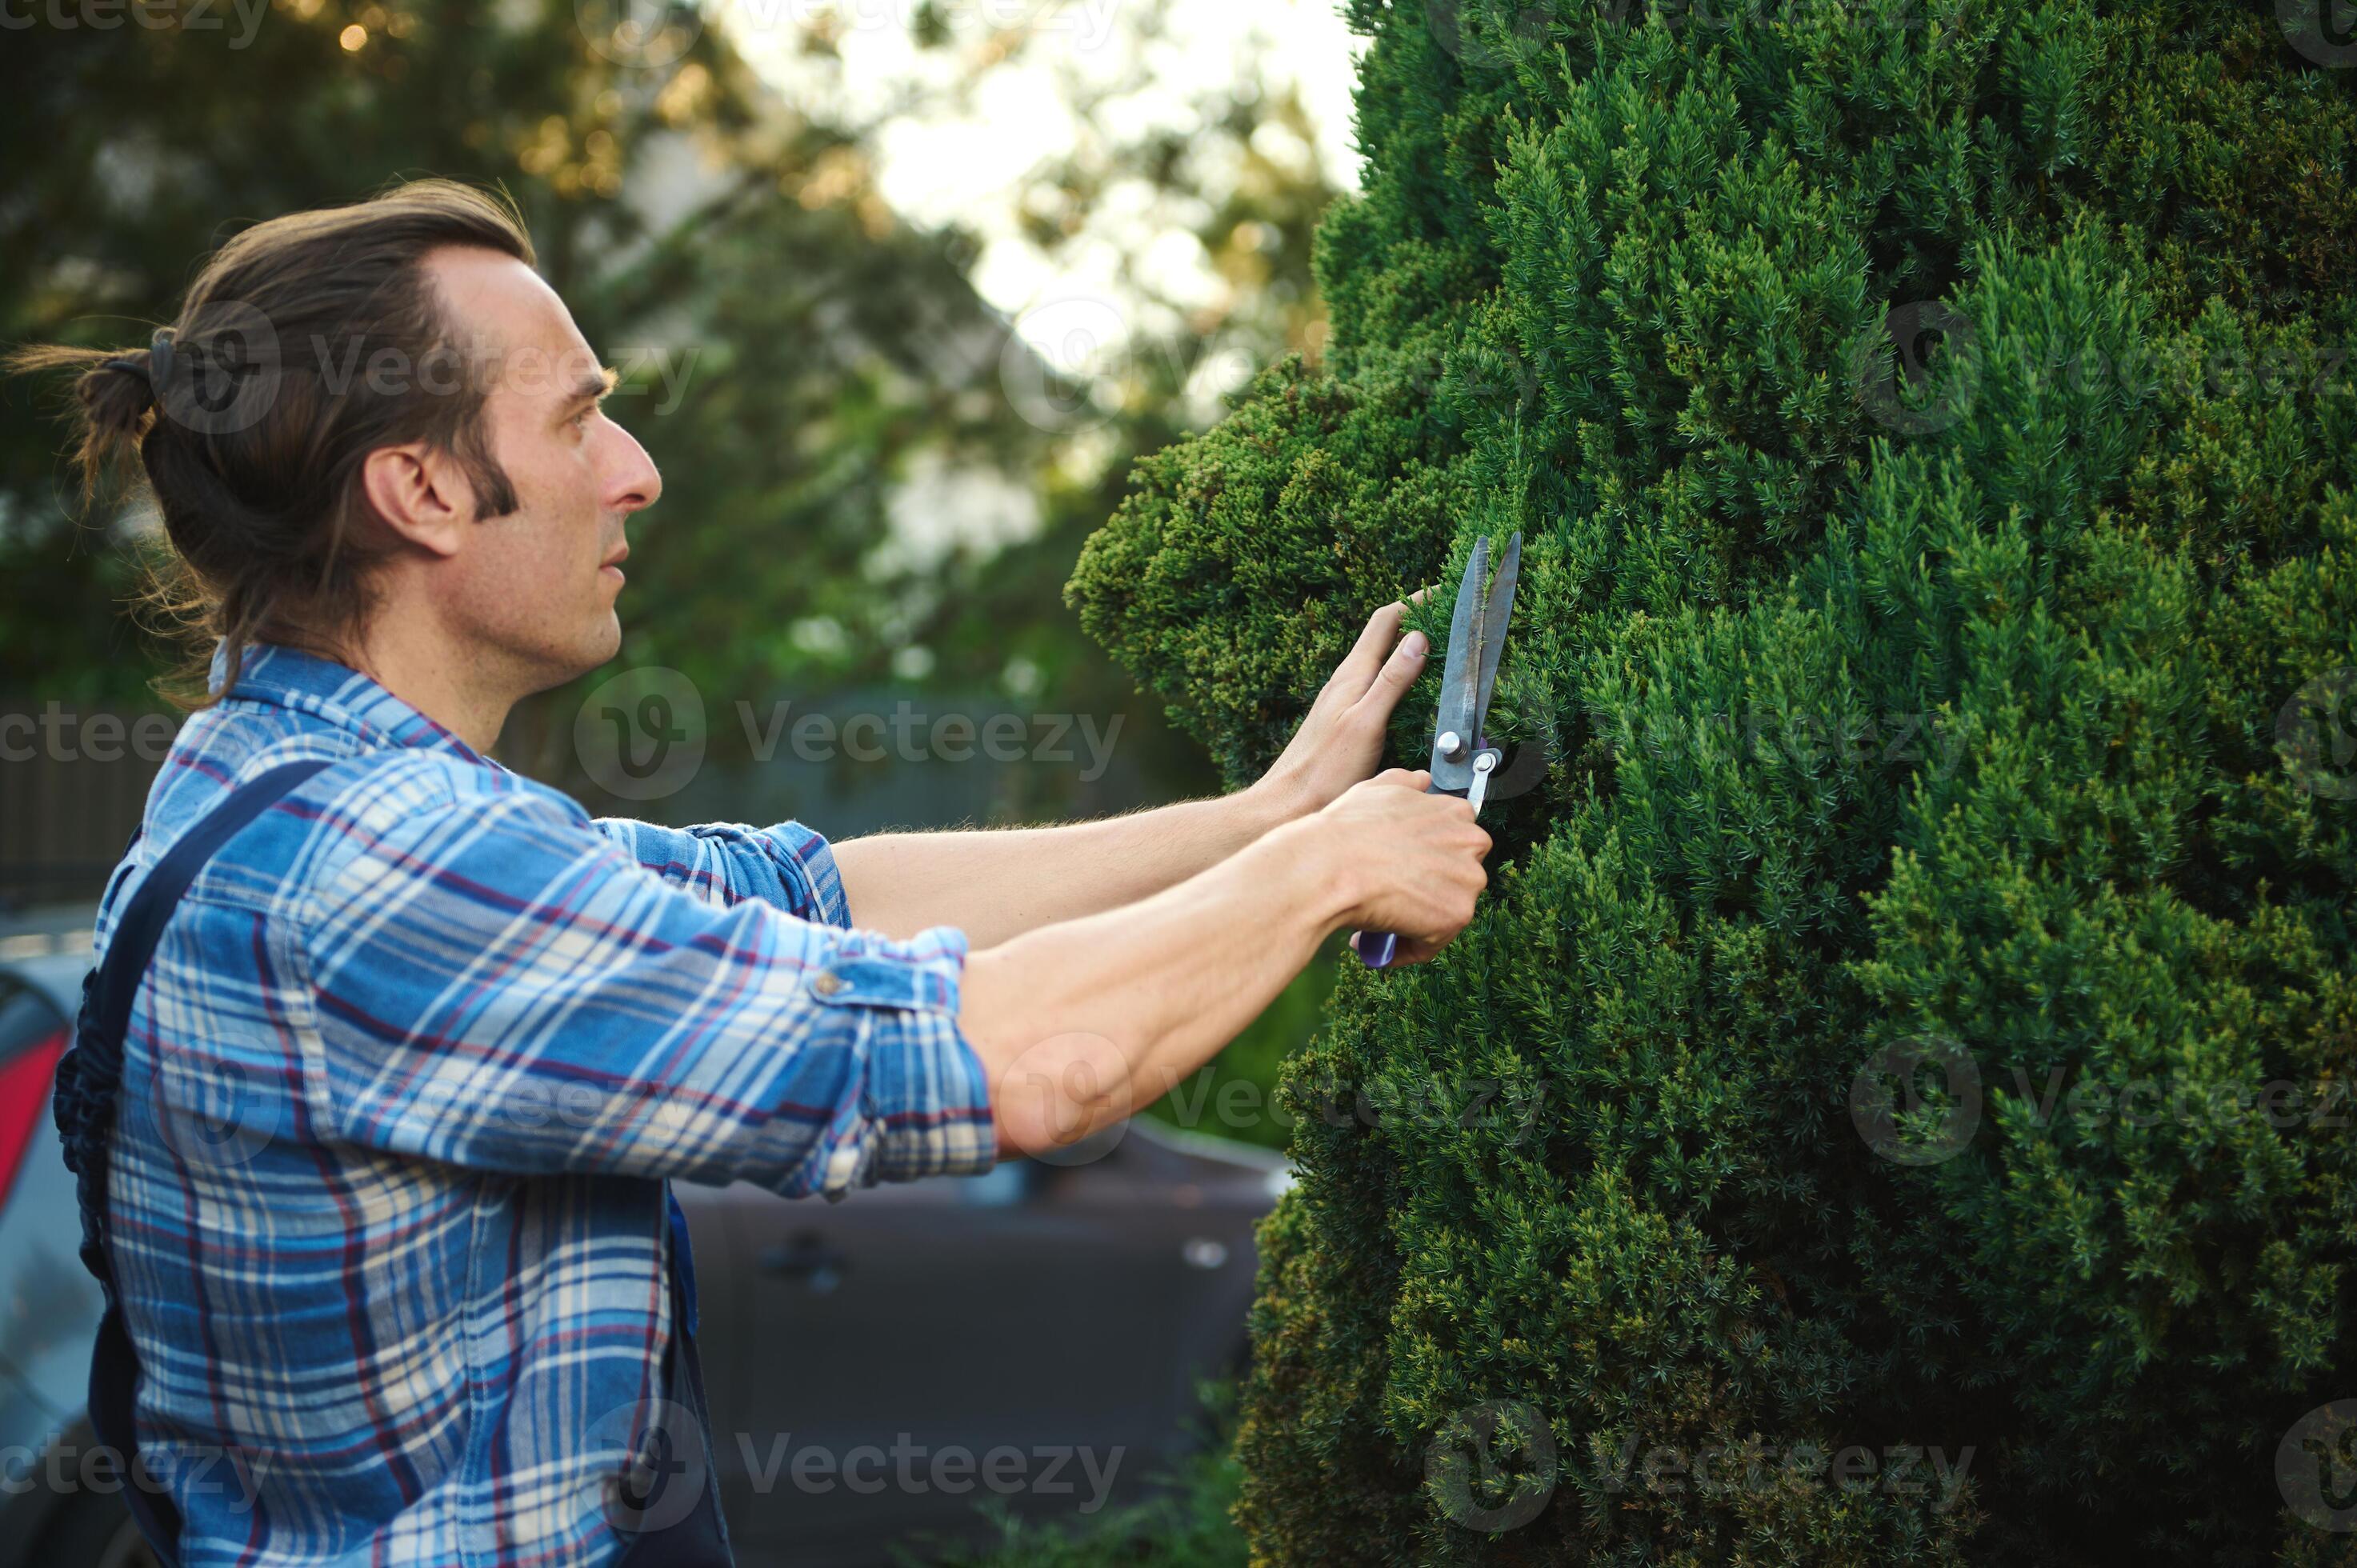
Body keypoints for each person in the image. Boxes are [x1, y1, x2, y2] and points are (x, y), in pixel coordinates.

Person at [7, 178, 1491, 1567]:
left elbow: (807, 896)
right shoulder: (383, 864)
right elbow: (1034, 1069)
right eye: (581, 419)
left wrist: (1263, 817)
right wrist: (1324, 874)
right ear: (422, 491)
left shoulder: (291, 796)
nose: (636, 474)